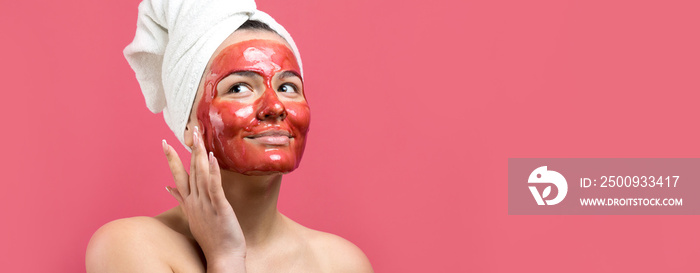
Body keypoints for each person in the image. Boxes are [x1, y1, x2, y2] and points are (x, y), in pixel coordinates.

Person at [86, 1, 373, 272]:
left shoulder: (341, 263)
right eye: (238, 88)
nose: (274, 107)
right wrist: (225, 258)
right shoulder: (130, 246)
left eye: (287, 87)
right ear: (188, 123)